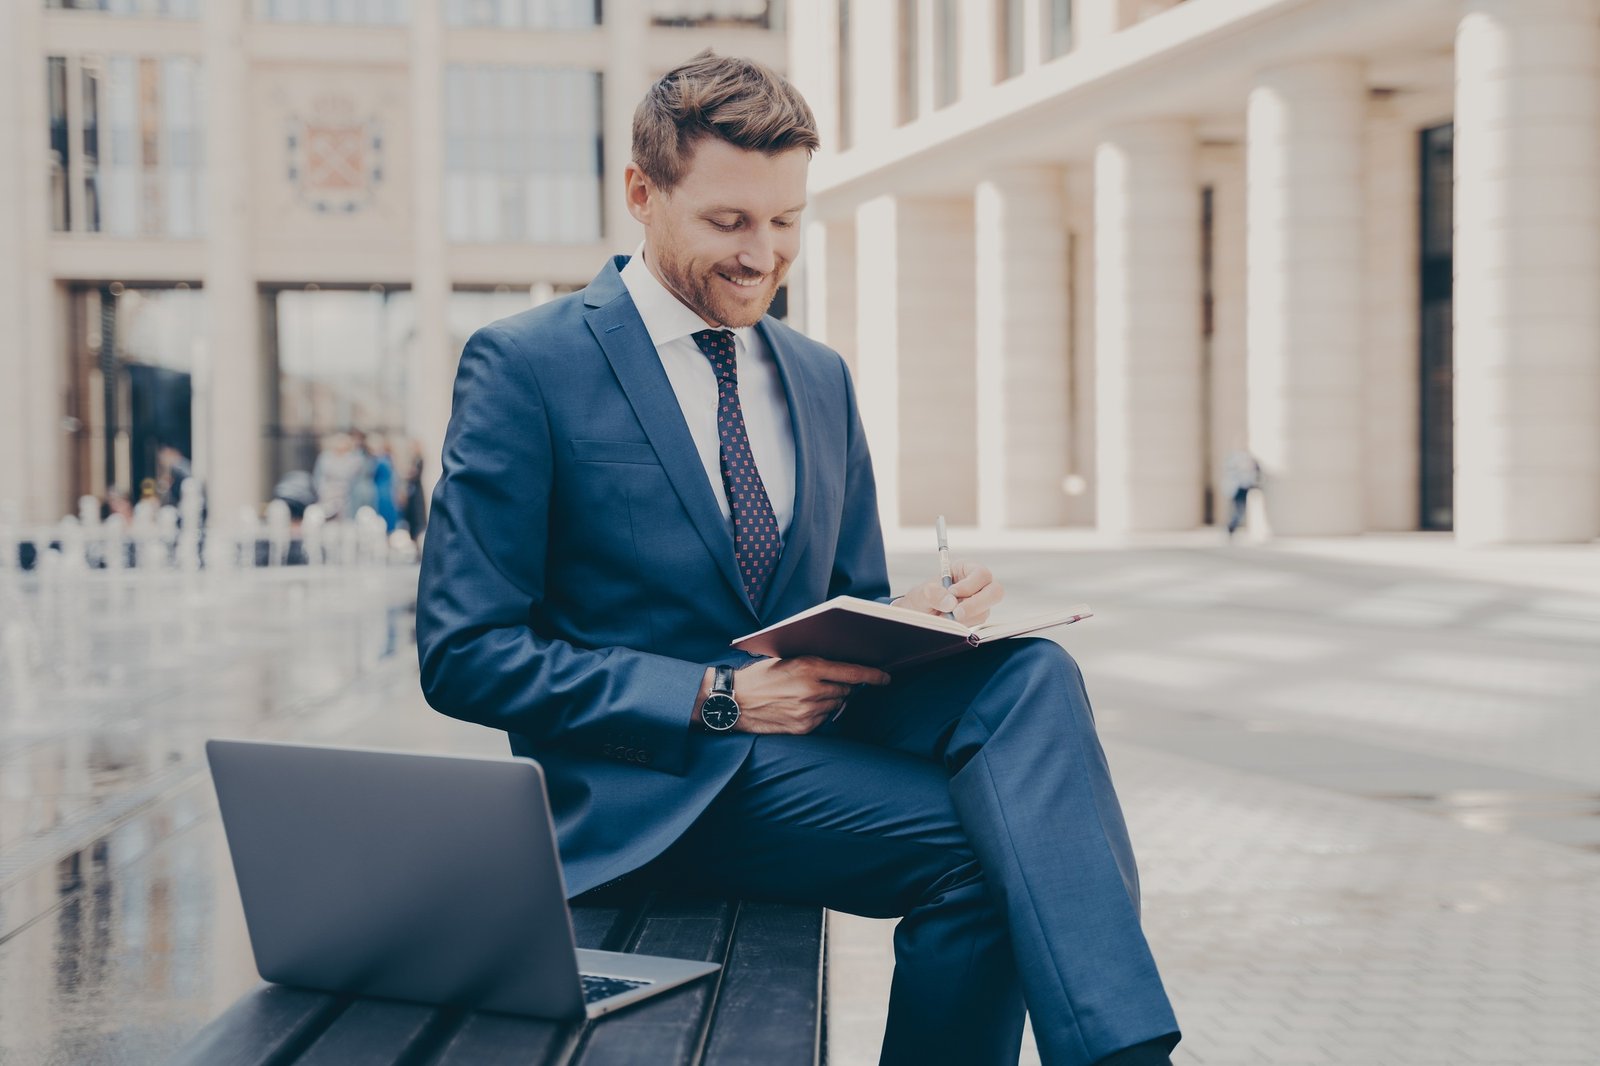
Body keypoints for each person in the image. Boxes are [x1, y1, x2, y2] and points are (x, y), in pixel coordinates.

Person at [416, 52, 1179, 1066]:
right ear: (642, 194)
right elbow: (464, 651)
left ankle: (1124, 1055)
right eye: (729, 222)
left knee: (1033, 669)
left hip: (807, 743)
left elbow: (840, 603)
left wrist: (915, 616)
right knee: (990, 858)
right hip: (655, 787)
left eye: (785, 222)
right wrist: (717, 696)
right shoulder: (526, 364)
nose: (761, 255)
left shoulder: (818, 376)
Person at [1222, 446, 1262, 540]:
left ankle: (1231, 528)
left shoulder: (1242, 467)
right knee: (1239, 511)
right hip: (1239, 490)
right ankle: (1231, 528)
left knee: (1239, 512)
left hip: (1241, 490)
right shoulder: (1240, 467)